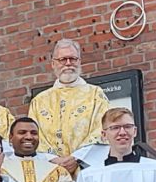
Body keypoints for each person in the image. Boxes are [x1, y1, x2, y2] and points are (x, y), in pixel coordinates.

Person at [26, 39, 109, 172]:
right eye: (63, 59)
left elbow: (102, 131)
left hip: (85, 169)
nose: (68, 63)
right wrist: (53, 159)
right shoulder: (39, 101)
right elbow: (33, 135)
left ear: (79, 61)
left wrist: (77, 158)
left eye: (73, 59)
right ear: (53, 64)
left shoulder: (95, 94)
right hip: (50, 170)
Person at [2, 117, 70, 182]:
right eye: (22, 132)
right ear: (10, 137)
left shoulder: (58, 170)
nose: (29, 137)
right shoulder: (0, 169)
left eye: (34, 133)